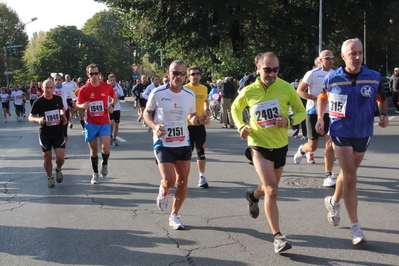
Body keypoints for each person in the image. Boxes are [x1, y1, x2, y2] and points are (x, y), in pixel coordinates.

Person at [316, 38, 389, 245]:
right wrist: (321, 118)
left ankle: (333, 201)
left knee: (347, 175)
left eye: (360, 53)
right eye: (352, 54)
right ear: (343, 56)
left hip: (363, 131)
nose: (357, 57)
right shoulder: (333, 78)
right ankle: (356, 229)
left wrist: (383, 116)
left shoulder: (374, 77)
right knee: (351, 176)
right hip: (339, 130)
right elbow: (322, 97)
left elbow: (382, 100)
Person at [231, 52, 306, 254]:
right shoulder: (249, 90)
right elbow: (235, 109)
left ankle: (253, 196)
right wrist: (240, 126)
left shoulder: (286, 87)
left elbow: (301, 112)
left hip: (280, 145)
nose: (272, 73)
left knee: (267, 188)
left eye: (275, 69)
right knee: (272, 189)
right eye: (267, 69)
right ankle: (278, 237)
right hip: (258, 144)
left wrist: (289, 121)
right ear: (258, 67)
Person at [143, 60, 208, 230]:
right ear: (168, 73)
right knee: (169, 180)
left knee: (183, 181)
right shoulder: (158, 92)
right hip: (163, 141)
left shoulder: (189, 94)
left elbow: (191, 116)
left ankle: (174, 215)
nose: (178, 77)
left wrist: (199, 120)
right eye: (175, 73)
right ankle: (164, 190)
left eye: (181, 73)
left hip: (182, 141)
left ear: (185, 75)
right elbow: (147, 113)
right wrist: (155, 126)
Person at [293, 50, 337, 188]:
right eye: (327, 58)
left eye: (332, 58)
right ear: (320, 60)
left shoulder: (336, 74)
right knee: (313, 146)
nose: (330, 60)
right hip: (313, 111)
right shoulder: (312, 74)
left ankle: (328, 176)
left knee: (330, 144)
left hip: (331, 112)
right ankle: (302, 150)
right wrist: (317, 98)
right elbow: (299, 91)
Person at [76, 63, 117, 185]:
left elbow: (115, 97)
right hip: (90, 123)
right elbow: (77, 104)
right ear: (87, 75)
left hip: (104, 122)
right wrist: (82, 106)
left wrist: (112, 106)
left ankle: (104, 164)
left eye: (96, 73)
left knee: (105, 147)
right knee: (93, 150)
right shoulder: (84, 89)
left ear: (99, 74)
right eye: (91, 73)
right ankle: (95, 173)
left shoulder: (106, 87)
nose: (94, 76)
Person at [29, 79, 67, 188]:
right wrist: (38, 120)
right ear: (42, 88)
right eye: (47, 88)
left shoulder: (58, 99)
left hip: (58, 132)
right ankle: (50, 177)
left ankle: (58, 169)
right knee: (47, 158)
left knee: (60, 157)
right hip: (45, 133)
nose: (49, 90)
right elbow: (30, 117)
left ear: (54, 88)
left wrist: (63, 115)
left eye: (51, 88)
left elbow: (62, 109)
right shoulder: (39, 102)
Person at [184, 66, 211, 188]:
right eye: (193, 74)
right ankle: (183, 177)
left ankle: (202, 177)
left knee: (201, 150)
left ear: (200, 76)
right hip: (186, 126)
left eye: (197, 74)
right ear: (188, 77)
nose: (195, 76)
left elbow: (205, 101)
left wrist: (207, 110)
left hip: (200, 125)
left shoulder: (204, 88)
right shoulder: (184, 89)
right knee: (186, 153)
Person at [53, 74, 77, 159]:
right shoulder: (51, 88)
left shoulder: (66, 88)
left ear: (62, 80)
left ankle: (63, 151)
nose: (57, 81)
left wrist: (74, 101)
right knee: (55, 133)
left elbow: (74, 96)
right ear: (53, 80)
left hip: (64, 111)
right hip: (54, 113)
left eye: (59, 79)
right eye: (56, 79)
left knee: (64, 133)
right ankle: (56, 150)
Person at [108, 74, 125, 146]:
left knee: (116, 124)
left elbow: (123, 97)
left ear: (115, 80)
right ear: (109, 81)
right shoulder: (106, 87)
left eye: (114, 80)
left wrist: (119, 96)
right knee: (111, 123)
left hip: (117, 108)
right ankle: (110, 136)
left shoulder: (118, 87)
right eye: (111, 80)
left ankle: (114, 138)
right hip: (109, 108)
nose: (112, 82)